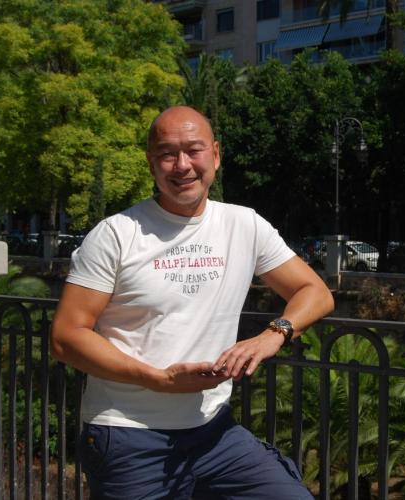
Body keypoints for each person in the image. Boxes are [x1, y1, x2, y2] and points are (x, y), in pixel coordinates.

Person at [51, 105, 334, 499]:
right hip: (130, 435)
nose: (182, 165)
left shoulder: (244, 225)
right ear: (151, 164)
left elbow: (315, 292)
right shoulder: (116, 235)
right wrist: (159, 380)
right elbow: (66, 337)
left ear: (215, 155)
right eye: (167, 154)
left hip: (215, 433)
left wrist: (274, 334)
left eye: (193, 150)